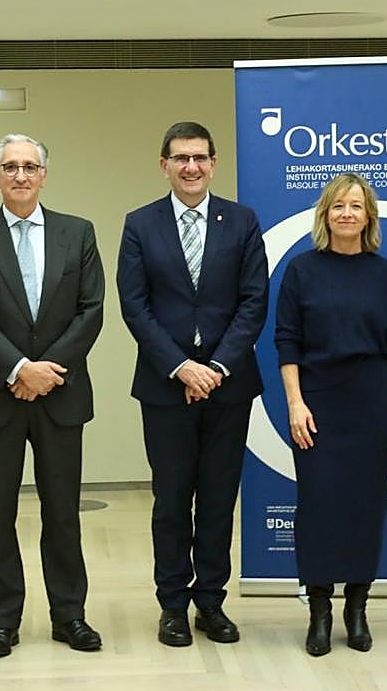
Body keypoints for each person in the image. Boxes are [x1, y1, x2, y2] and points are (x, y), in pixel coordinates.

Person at [0, 134, 105, 659]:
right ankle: (1, 621)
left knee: (63, 512)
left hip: (61, 395)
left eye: (30, 166)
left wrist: (45, 373)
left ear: (44, 175)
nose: (20, 175)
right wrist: (18, 369)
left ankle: (69, 615)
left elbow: (91, 309)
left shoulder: (78, 232)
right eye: (10, 167)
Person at [117, 121, 268, 648]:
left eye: (200, 157)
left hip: (229, 385)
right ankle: (173, 606)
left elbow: (254, 301)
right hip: (165, 387)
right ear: (164, 165)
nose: (191, 167)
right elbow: (134, 305)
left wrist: (217, 367)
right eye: (181, 158)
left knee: (219, 499)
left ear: (213, 163)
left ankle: (211, 602)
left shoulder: (242, 221)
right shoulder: (141, 224)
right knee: (172, 500)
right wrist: (181, 366)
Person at [276, 173, 387, 657]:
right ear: (326, 214)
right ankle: (319, 612)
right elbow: (287, 341)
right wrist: (295, 403)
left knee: (365, 508)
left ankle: (357, 609)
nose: (347, 213)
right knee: (317, 506)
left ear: (369, 216)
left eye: (356, 206)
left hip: (373, 404)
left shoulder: (386, 274)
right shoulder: (301, 270)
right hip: (317, 404)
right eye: (338, 206)